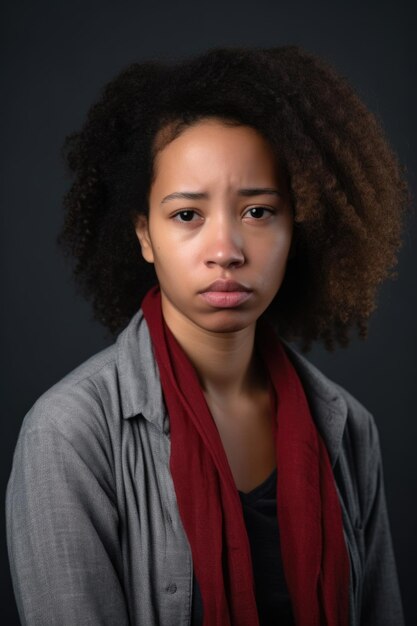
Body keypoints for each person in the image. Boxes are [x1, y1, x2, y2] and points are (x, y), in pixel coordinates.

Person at [5, 45, 408, 626]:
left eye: (259, 212)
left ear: (299, 227)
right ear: (144, 235)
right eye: (187, 215)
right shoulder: (68, 435)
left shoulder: (347, 429)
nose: (226, 251)